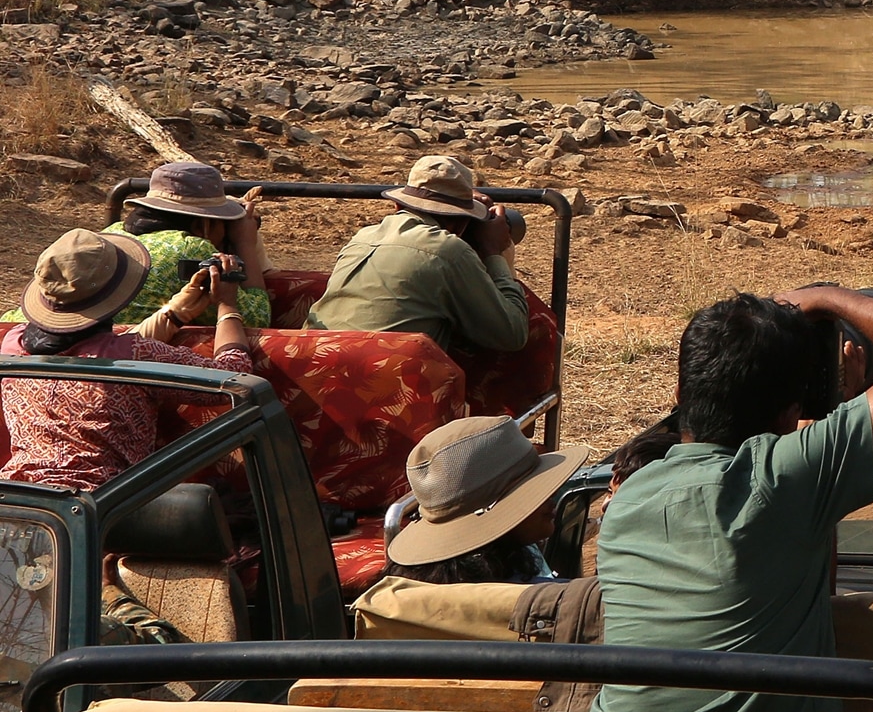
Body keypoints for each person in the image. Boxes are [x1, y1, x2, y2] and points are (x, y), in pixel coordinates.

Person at [592, 287, 873, 712]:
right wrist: (825, 298)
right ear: (791, 417)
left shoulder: (624, 498)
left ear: (679, 393)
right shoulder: (781, 480)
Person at [0, 229, 256, 491]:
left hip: (18, 495)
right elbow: (233, 377)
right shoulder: (136, 355)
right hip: (106, 503)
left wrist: (174, 313)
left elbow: (93, 352)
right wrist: (227, 305)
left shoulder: (13, 345)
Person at [305, 156, 527, 352]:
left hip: (315, 366)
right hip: (389, 383)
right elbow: (512, 335)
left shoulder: (362, 237)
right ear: (461, 223)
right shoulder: (449, 251)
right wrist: (495, 253)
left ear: (396, 206)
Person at [381, 416, 589, 585]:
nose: (550, 495)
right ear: (493, 509)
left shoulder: (399, 600)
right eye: (531, 488)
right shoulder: (548, 602)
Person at [108, 161, 273, 328]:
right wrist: (245, 243)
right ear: (202, 226)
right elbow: (256, 320)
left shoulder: (109, 234)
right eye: (224, 223)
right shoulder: (192, 249)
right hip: (143, 351)